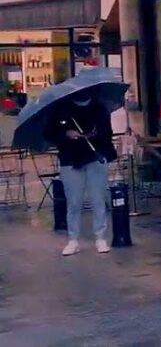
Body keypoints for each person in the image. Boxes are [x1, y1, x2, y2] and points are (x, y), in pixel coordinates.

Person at [46, 93, 117, 256]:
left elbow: (107, 133)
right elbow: (49, 133)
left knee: (98, 199)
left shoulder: (99, 108)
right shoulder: (61, 109)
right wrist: (66, 134)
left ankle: (100, 237)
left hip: (95, 157)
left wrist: (94, 134)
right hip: (70, 159)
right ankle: (73, 240)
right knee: (73, 202)